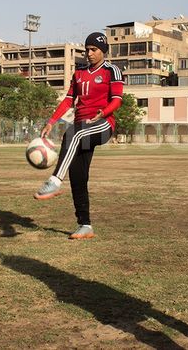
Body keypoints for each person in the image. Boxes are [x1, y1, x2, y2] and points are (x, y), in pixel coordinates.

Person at [33, 32, 123, 240]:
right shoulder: (79, 73)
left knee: (73, 133)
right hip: (81, 127)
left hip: (102, 124)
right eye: (87, 50)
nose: (89, 54)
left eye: (94, 50)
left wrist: (104, 112)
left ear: (103, 51)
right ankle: (85, 225)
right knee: (78, 176)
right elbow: (68, 101)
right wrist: (51, 122)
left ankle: (55, 181)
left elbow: (117, 100)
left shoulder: (112, 71)